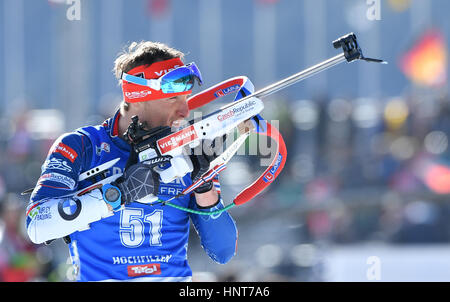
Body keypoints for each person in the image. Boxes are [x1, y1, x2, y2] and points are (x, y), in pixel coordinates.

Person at [25, 41, 238, 282]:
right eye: (172, 100)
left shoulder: (187, 149)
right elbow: (36, 226)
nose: (184, 112)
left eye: (186, 99)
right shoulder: (81, 145)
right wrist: (120, 194)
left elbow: (223, 251)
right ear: (136, 97)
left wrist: (204, 186)